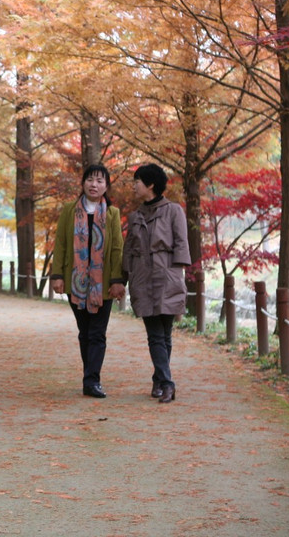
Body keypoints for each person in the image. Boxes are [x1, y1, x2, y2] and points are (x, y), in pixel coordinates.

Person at [50, 164, 125, 398]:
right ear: (83, 183)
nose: (94, 185)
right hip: (76, 281)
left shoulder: (112, 213)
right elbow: (61, 243)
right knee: (85, 332)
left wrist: (117, 280)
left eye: (100, 181)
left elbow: (116, 249)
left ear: (106, 185)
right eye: (90, 180)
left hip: (103, 284)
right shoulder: (70, 210)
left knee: (97, 333)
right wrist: (57, 276)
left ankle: (92, 380)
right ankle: (89, 376)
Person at [123, 163, 191, 404]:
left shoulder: (173, 211)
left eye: (137, 181)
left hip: (167, 277)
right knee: (155, 335)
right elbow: (128, 249)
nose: (133, 185)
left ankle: (159, 380)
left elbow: (182, 244)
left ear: (150, 184)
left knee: (165, 334)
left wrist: (176, 274)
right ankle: (167, 383)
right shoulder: (135, 216)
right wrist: (123, 277)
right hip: (142, 278)